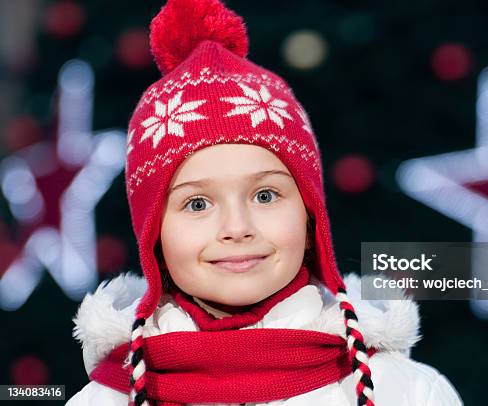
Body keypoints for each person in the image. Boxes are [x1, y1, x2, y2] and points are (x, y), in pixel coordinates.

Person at [66, 0, 463, 405]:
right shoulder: (104, 400)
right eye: (198, 204)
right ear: (154, 235)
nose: (237, 227)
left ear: (310, 220)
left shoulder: (407, 391)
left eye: (265, 195)